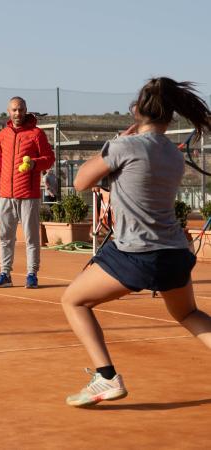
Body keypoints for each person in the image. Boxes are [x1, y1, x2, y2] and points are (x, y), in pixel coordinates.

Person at [61, 77, 211, 407]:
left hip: (136, 254)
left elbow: (81, 181)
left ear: (137, 110)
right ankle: (105, 379)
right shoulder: (173, 155)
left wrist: (116, 141)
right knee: (188, 314)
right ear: (170, 115)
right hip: (175, 253)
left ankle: (106, 378)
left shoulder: (124, 146)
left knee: (73, 301)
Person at [0, 96, 55, 288]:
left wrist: (34, 164)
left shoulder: (36, 134)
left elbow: (49, 158)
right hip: (6, 195)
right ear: (9, 111)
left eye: (21, 110)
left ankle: (32, 274)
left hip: (28, 195)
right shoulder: (2, 135)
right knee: (5, 236)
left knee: (32, 237)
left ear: (26, 111)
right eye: (14, 110)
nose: (18, 113)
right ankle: (5, 274)